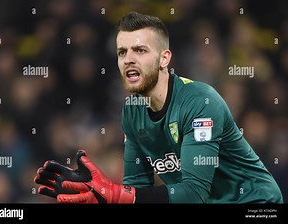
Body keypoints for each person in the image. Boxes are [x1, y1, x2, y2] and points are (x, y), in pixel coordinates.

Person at [34, 11, 283, 204]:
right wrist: (100, 195)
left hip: (257, 203)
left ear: (164, 58)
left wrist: (116, 194)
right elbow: (136, 188)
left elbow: (193, 193)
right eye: (122, 52)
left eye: (140, 50)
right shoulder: (132, 110)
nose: (128, 59)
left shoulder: (201, 102)